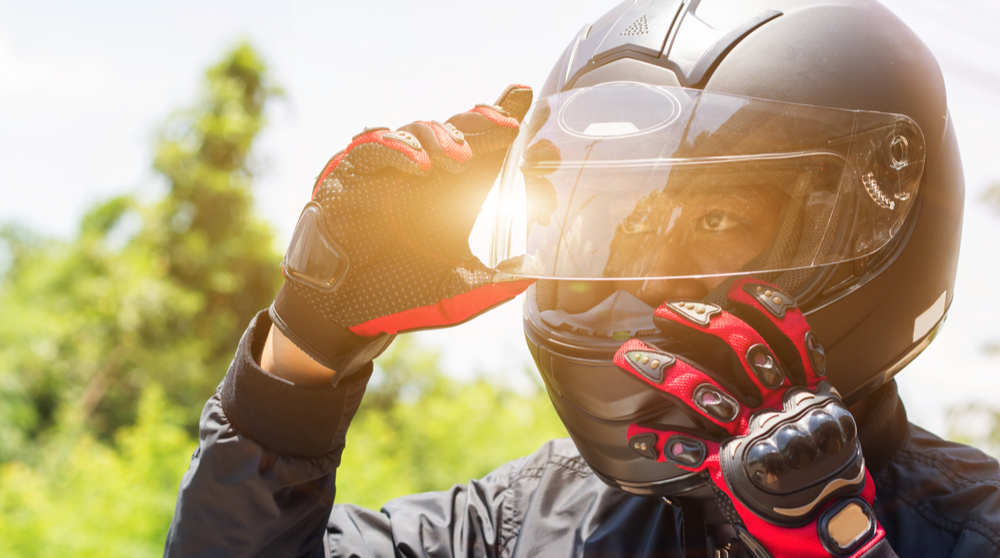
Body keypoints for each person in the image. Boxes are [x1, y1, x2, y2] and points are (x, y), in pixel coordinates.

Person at [164, 0, 1000, 556]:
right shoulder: (519, 526)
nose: (641, 273)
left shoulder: (972, 528)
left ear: (875, 230)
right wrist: (304, 351)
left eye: (713, 219)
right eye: (616, 216)